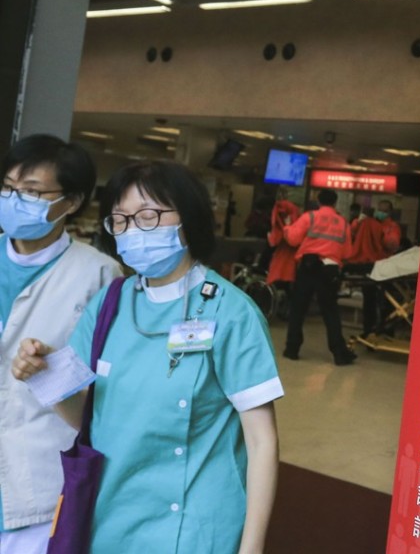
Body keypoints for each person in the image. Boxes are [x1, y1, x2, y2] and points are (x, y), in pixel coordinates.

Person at [11, 161, 282, 553]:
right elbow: (87, 418)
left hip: (194, 524)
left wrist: (251, 548)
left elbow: (262, 442)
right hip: (112, 516)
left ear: (187, 218)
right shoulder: (110, 303)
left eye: (149, 215)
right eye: (120, 220)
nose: (133, 230)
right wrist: (44, 375)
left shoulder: (230, 311)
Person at [0, 135, 121, 553]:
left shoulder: (99, 276)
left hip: (37, 476)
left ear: (70, 203)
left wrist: (52, 370)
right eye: (9, 188)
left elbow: (109, 387)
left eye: (32, 192)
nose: (15, 200)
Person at [282, 188, 358, 364]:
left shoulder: (310, 217)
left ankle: (292, 349)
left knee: (298, 309)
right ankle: (339, 353)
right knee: (330, 312)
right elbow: (348, 252)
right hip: (330, 270)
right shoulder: (344, 223)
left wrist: (286, 227)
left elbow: (293, 239)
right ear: (335, 203)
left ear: (318, 201)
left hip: (308, 267)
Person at [345, 199, 401, 338]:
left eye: (383, 210)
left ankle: (385, 332)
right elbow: (352, 232)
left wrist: (379, 234)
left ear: (389, 212)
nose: (380, 212)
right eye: (379, 209)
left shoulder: (391, 227)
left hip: (384, 268)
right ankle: (369, 330)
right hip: (370, 267)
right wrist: (359, 221)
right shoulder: (366, 223)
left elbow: (392, 244)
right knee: (369, 301)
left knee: (385, 303)